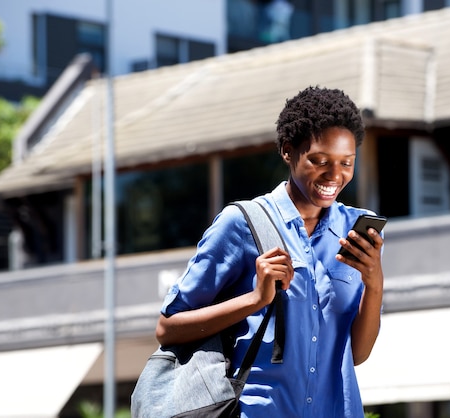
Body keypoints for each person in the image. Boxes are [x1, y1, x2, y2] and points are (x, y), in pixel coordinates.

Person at [156, 86, 384, 417]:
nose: (335, 176)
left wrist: (374, 282)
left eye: (346, 163)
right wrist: (255, 300)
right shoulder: (242, 224)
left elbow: (357, 354)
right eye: (319, 160)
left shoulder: (355, 230)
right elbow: (167, 328)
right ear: (288, 151)